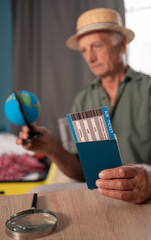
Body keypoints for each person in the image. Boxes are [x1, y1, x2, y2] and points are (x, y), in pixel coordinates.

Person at [16, 8, 151, 204]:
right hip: (102, 201)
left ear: (122, 45)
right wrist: (52, 148)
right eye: (84, 50)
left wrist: (149, 177)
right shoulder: (82, 100)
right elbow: (81, 173)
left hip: (146, 202)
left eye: (96, 46)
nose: (90, 57)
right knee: (36, 193)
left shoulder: (147, 90)